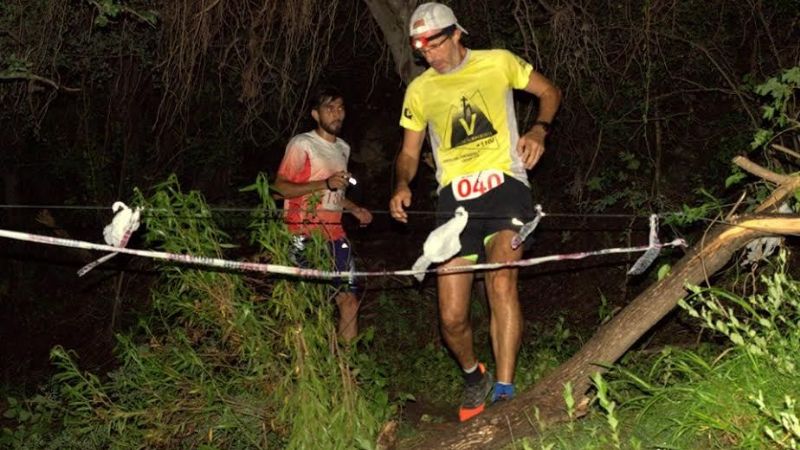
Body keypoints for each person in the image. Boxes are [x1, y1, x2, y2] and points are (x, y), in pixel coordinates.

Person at [389, 3, 561, 421]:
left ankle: (505, 389)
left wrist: (539, 128)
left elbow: (549, 92)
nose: (428, 55)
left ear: (456, 34)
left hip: (505, 186)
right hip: (455, 202)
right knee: (450, 316)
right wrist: (402, 183)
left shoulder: (498, 63)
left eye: (433, 44)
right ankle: (474, 375)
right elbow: (409, 152)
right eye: (420, 49)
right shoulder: (420, 89)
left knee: (501, 281)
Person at [274, 86, 373, 342]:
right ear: (316, 115)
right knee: (302, 304)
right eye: (330, 108)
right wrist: (324, 184)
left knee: (349, 301)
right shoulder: (302, 144)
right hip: (301, 232)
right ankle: (300, 366)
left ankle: (346, 369)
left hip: (335, 233)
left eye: (340, 108)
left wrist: (354, 208)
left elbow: (335, 192)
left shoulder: (343, 148)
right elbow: (278, 190)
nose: (337, 114)